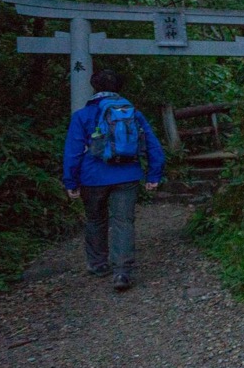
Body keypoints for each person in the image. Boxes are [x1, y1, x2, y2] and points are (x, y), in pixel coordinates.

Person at [62, 69, 166, 291]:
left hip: (92, 177)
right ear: (119, 88)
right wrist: (153, 174)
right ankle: (122, 272)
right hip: (127, 175)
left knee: (95, 220)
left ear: (94, 88)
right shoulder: (133, 113)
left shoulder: (82, 115)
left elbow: (73, 152)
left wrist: (71, 181)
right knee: (123, 222)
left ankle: (98, 264)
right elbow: (153, 145)